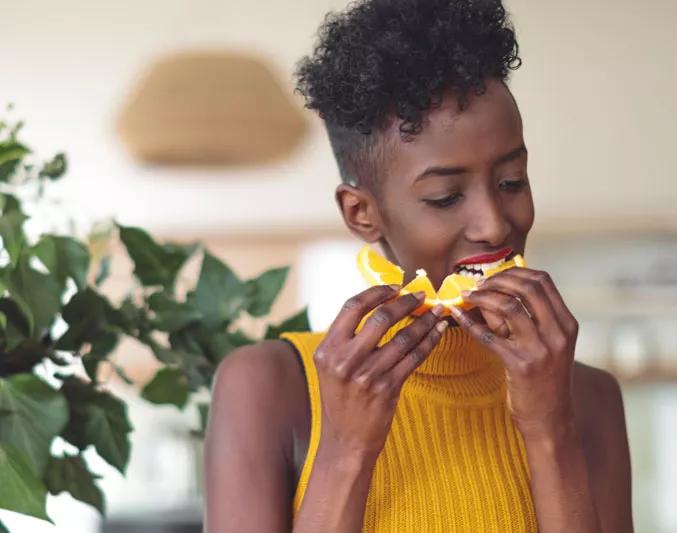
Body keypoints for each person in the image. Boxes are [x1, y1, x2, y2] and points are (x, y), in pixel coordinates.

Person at [204, 1, 633, 531]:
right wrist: (347, 449)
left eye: (511, 182)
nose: (495, 225)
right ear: (362, 214)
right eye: (446, 197)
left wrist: (550, 431)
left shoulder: (589, 397)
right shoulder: (268, 387)